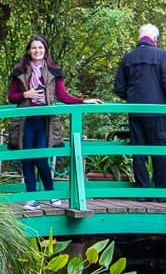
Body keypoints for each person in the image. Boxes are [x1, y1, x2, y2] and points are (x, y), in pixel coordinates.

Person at [8, 34, 101, 209]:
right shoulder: (19, 71)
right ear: (29, 50)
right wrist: (25, 95)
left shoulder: (53, 71)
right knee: (27, 159)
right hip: (25, 122)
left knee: (42, 158)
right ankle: (32, 199)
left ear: (45, 50)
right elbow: (11, 96)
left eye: (40, 48)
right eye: (34, 47)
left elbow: (63, 96)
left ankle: (50, 194)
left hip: (46, 122)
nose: (37, 51)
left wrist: (84, 101)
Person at [114, 23, 166, 196]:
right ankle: (163, 193)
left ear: (139, 38)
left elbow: (119, 87)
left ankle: (142, 192)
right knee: (160, 151)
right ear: (155, 40)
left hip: (135, 112)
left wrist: (133, 98)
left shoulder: (128, 58)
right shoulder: (162, 55)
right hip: (157, 112)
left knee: (139, 151)